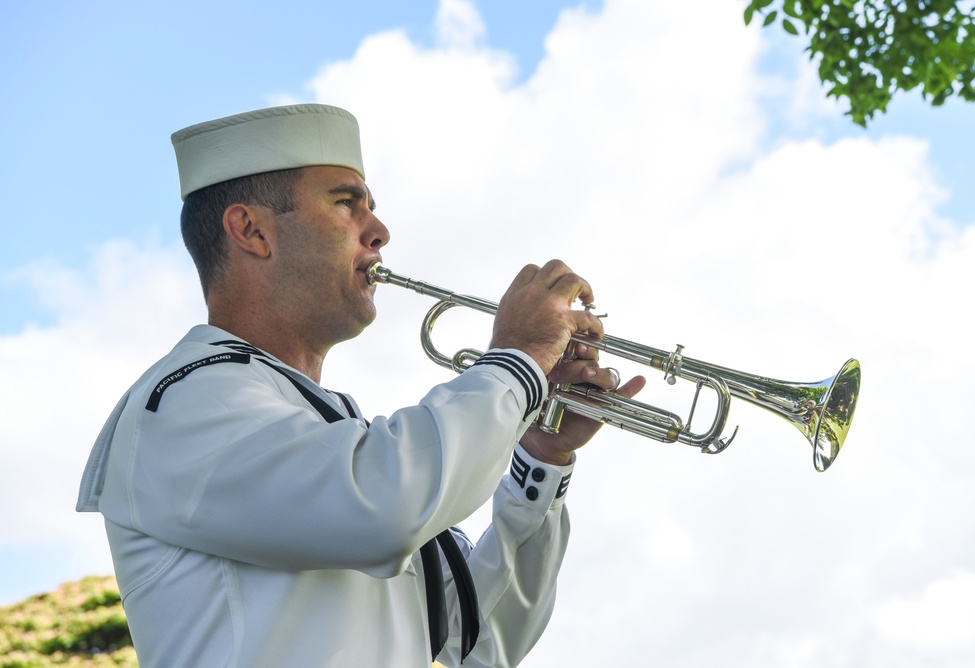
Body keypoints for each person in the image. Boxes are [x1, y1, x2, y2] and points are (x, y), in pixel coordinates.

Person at [77, 103, 643, 667]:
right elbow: (385, 506)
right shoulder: (183, 400)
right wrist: (517, 361)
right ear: (250, 230)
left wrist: (541, 455)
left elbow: (482, 639)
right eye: (347, 205)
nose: (380, 232)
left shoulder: (329, 428)